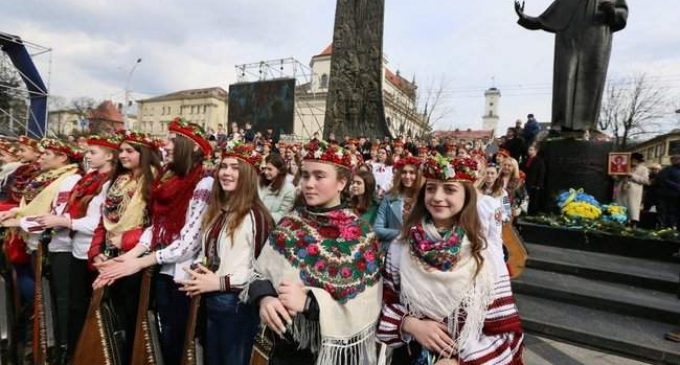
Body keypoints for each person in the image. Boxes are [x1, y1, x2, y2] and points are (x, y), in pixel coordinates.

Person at [244, 140, 383, 365]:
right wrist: (265, 298)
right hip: (284, 347)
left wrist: (310, 304)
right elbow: (260, 271)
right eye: (305, 175)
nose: (308, 184)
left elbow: (366, 303)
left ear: (342, 182)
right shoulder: (290, 223)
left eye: (319, 177)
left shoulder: (361, 235)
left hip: (331, 355)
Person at [377, 155, 524, 364]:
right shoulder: (401, 247)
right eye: (431, 188)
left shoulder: (485, 253)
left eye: (449, 189)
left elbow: (505, 333)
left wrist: (457, 362)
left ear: (467, 196)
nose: (437, 197)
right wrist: (409, 324)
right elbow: (386, 303)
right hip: (409, 356)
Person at [94, 119, 214, 365]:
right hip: (163, 270)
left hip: (185, 276)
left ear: (191, 147)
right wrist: (129, 256)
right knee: (158, 340)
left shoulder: (204, 183)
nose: (166, 144)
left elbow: (188, 243)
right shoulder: (170, 177)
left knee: (177, 345)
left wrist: (139, 262)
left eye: (172, 139)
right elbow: (155, 226)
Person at [179, 142, 273, 365]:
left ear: (248, 174)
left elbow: (262, 272)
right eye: (224, 166)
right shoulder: (217, 209)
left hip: (237, 308)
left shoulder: (257, 216)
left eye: (235, 168)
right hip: (211, 303)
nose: (227, 173)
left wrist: (219, 282)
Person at [29, 135, 118, 360]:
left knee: (84, 308)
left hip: (92, 251)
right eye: (87, 152)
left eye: (93, 152)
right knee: (74, 307)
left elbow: (96, 223)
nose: (87, 156)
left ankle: (81, 354)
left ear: (109, 156)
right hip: (77, 248)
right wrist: (55, 217)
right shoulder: (89, 178)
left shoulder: (108, 182)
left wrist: (62, 222)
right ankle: (70, 352)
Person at [1, 138, 83, 363]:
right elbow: (30, 205)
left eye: (47, 153)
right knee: (42, 300)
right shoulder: (47, 178)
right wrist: (16, 213)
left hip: (58, 246)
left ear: (62, 158)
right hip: (36, 244)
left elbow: (56, 216)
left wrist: (19, 223)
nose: (41, 156)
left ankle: (60, 349)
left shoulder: (70, 179)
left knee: (58, 301)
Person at [86, 131, 162, 364]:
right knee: (111, 318)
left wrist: (128, 239)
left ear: (145, 153)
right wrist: (96, 253)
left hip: (137, 262)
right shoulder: (117, 181)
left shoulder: (155, 182)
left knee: (132, 321)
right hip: (109, 257)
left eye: (130, 151)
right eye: (121, 151)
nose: (122, 155)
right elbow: (103, 222)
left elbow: (159, 225)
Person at [374, 156, 423, 251]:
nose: (407, 176)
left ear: (418, 175)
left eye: (412, 173)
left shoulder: (424, 200)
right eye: (404, 172)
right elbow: (378, 229)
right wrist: (404, 233)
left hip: (417, 252)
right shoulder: (389, 198)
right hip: (392, 250)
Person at [613, 153, 649, 227]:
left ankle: (633, 224)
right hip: (622, 191)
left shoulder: (643, 169)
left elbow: (645, 181)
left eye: (636, 160)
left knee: (633, 210)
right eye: (632, 160)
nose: (633, 162)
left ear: (639, 161)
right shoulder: (623, 166)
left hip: (634, 193)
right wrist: (618, 176)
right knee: (620, 208)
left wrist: (632, 175)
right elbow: (615, 178)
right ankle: (619, 222)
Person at [259, 153, 296, 223]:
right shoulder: (261, 182)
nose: (266, 172)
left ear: (279, 170)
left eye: (270, 169)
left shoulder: (289, 189)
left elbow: (282, 215)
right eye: (265, 168)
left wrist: (260, 216)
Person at [655, 154, 680, 230]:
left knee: (673, 213)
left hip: (677, 196)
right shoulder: (667, 169)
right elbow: (662, 179)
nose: (677, 161)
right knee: (663, 212)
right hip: (666, 195)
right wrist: (676, 186)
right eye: (675, 159)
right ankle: (662, 227)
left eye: (678, 159)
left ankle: (671, 227)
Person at [520, 144, 546, 215]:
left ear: (536, 151)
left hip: (534, 183)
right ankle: (524, 212)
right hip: (525, 182)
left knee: (533, 199)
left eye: (531, 150)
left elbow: (541, 173)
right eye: (529, 150)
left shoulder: (539, 161)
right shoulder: (526, 160)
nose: (529, 151)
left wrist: (539, 184)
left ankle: (532, 213)